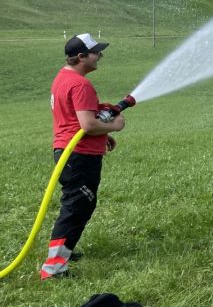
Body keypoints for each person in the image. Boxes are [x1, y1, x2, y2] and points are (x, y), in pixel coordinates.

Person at [40, 33, 126, 280]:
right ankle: (54, 267)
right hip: (79, 156)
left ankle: (64, 249)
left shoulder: (63, 78)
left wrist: (103, 136)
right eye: (96, 52)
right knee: (77, 206)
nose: (100, 56)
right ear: (81, 57)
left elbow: (73, 119)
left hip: (69, 152)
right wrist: (114, 126)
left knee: (77, 204)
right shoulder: (80, 84)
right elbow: (88, 125)